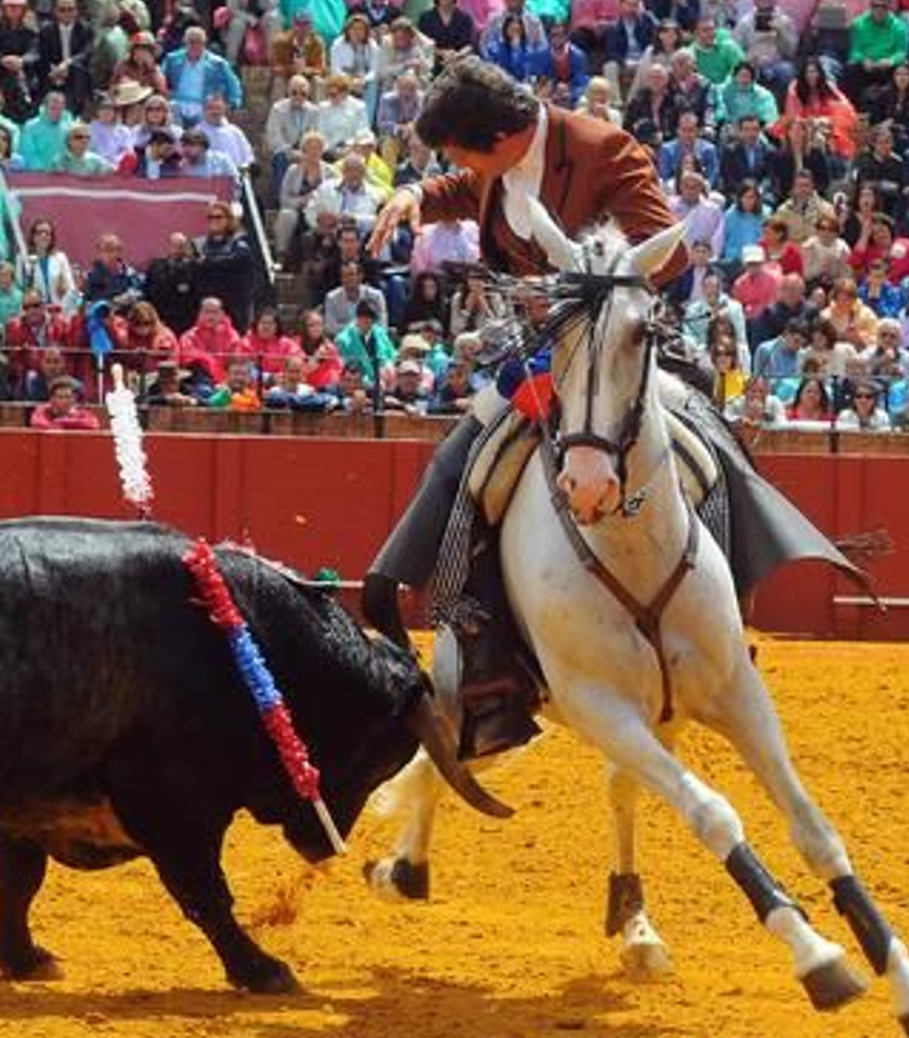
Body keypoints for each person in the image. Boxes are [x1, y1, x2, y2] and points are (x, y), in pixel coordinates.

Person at [362, 56, 853, 748]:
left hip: (620, 346)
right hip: (541, 353)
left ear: (497, 139)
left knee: (708, 444)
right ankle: (487, 665)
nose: (459, 164)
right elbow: (468, 185)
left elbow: (670, 258)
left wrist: (589, 282)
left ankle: (724, 623)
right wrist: (417, 195)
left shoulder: (603, 151)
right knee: (466, 462)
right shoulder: (500, 159)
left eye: (459, 150)